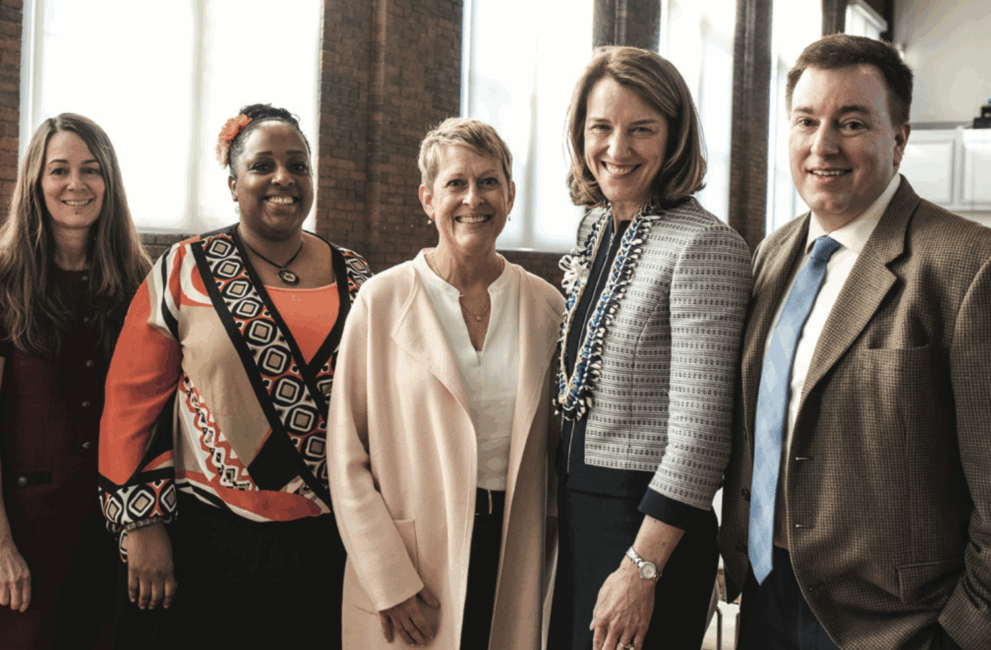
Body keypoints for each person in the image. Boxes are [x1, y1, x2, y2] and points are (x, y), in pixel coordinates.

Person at [719, 34, 991, 650]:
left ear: (898, 138)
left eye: (851, 123)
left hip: (902, 625)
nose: (823, 146)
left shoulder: (982, 271)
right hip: (768, 597)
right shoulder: (772, 254)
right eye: (806, 121)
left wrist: (960, 639)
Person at [98, 103, 371, 648]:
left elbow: (382, 406)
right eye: (262, 165)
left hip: (329, 537)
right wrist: (142, 523)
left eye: (298, 165)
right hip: (210, 536)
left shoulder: (358, 277)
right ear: (232, 183)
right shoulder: (186, 268)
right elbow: (132, 401)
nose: (282, 179)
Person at [327, 118, 563, 650]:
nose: (473, 198)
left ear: (510, 194)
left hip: (514, 545)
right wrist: (387, 578)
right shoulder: (381, 301)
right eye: (456, 183)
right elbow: (345, 457)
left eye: (489, 181)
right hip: (414, 560)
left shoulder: (546, 306)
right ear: (428, 199)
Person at [547, 47, 753, 650]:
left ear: (675, 137)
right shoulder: (596, 226)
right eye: (601, 128)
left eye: (642, 129)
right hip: (579, 511)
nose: (618, 147)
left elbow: (703, 434)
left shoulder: (705, 246)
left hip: (645, 527)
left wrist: (641, 568)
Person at [0, 113, 151, 649]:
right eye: (58, 169)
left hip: (114, 527)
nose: (75, 184)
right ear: (35, 184)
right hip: (25, 528)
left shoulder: (138, 279)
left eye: (90, 170)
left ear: (109, 181)